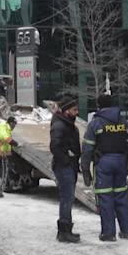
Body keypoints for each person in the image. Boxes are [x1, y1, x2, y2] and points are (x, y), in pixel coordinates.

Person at [81, 94, 128, 242]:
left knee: (105, 198)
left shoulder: (96, 124)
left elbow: (87, 148)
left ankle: (108, 233)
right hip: (121, 162)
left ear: (98, 106)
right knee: (121, 197)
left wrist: (85, 169)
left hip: (104, 163)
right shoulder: (124, 123)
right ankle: (125, 231)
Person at [50, 95, 82, 243]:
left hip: (69, 165)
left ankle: (66, 229)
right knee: (66, 198)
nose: (77, 112)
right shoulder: (60, 125)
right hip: (64, 167)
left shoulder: (67, 124)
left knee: (68, 198)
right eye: (74, 110)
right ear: (66, 110)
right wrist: (66, 160)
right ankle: (64, 231)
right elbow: (55, 146)